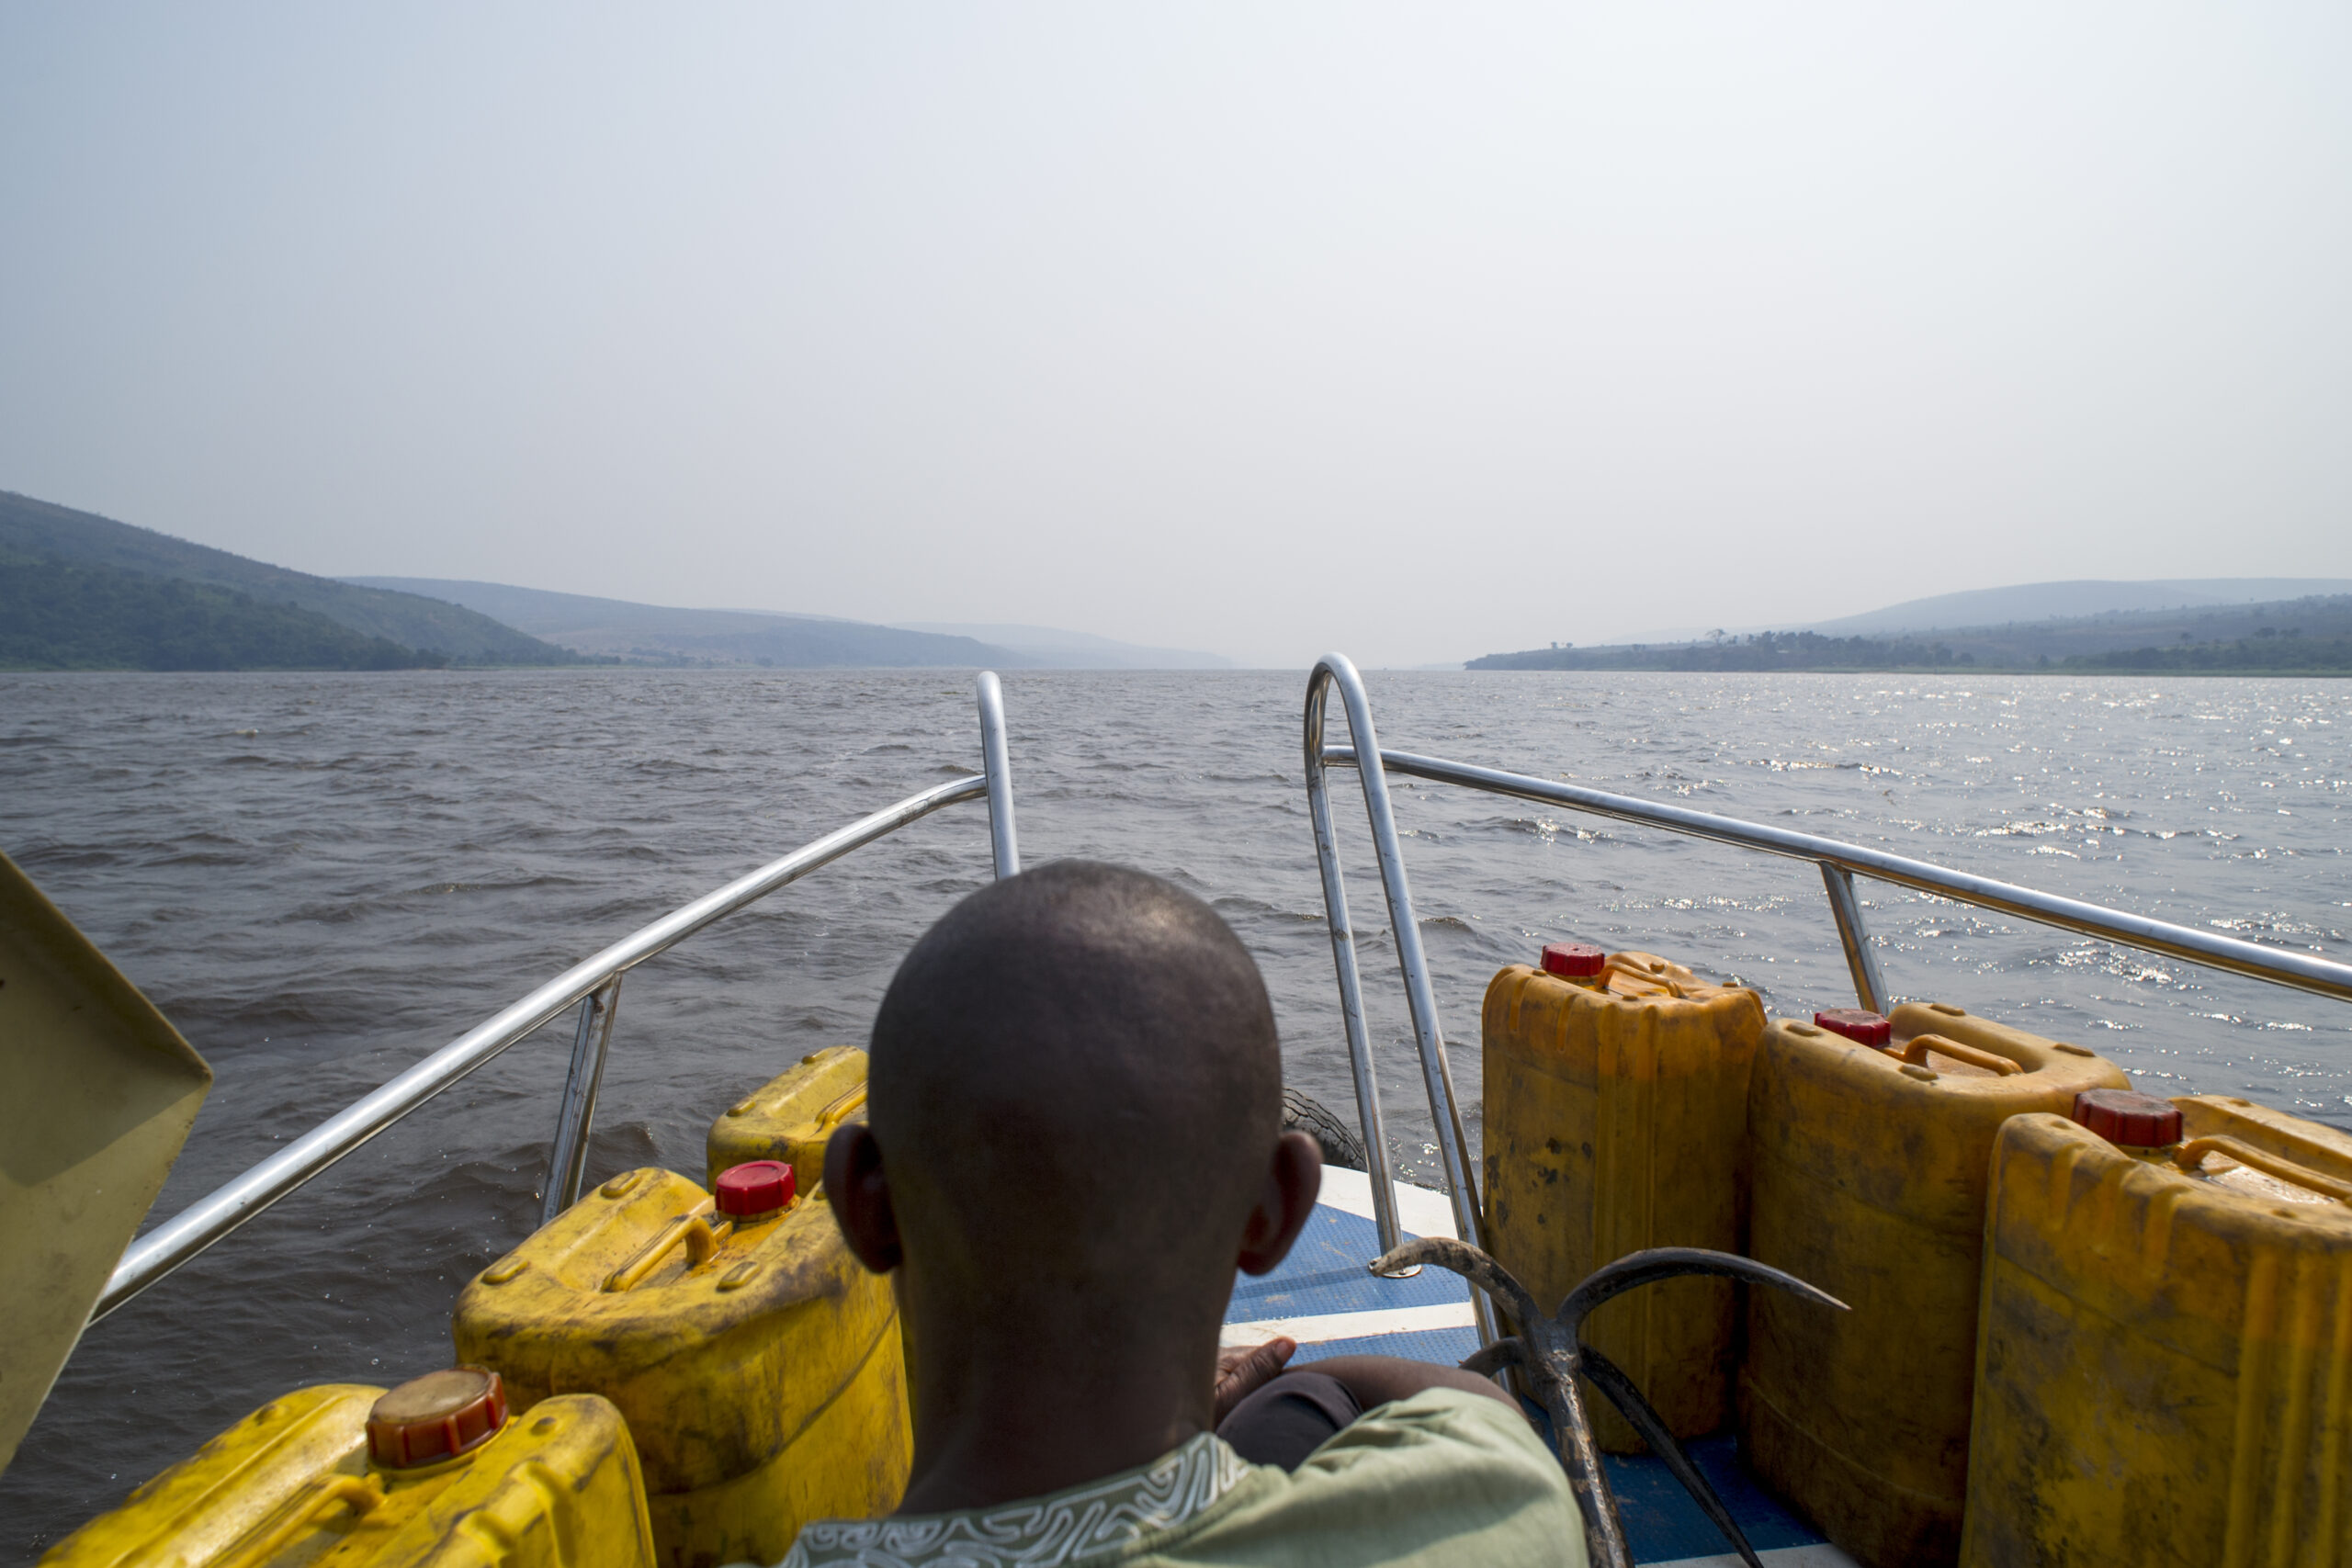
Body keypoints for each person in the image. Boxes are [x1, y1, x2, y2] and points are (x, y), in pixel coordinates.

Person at [785, 860, 1585, 1567]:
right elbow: (1483, 1413)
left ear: (860, 1204)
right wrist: (1298, 1379)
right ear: (1274, 1211)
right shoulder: (1497, 1509)